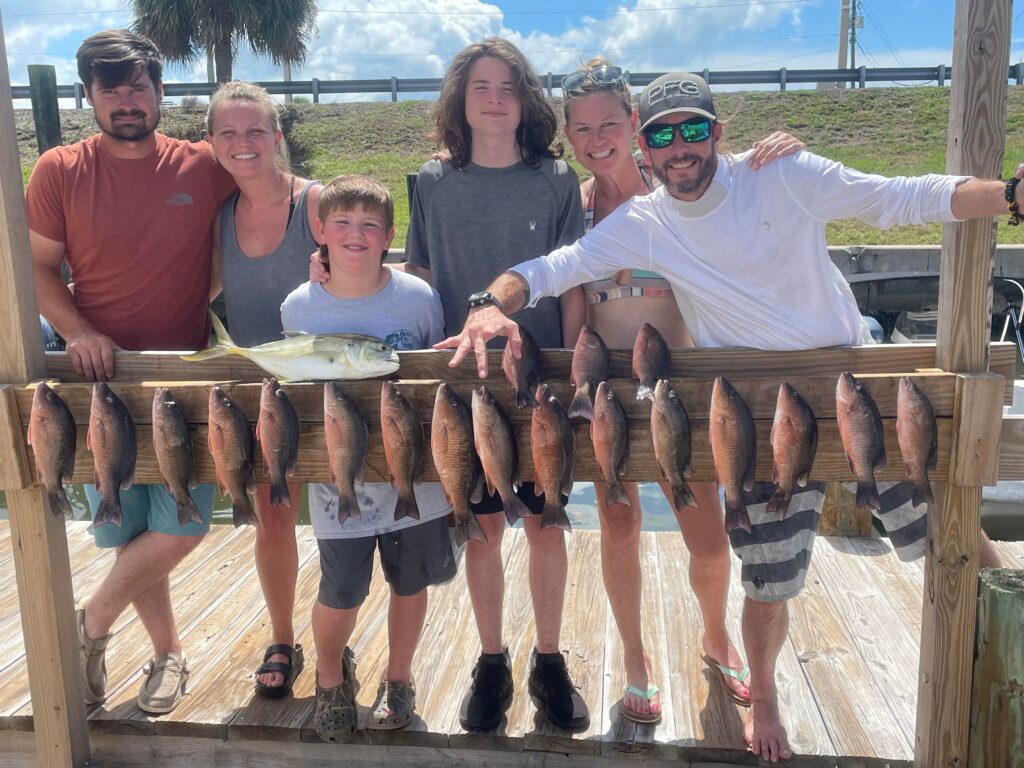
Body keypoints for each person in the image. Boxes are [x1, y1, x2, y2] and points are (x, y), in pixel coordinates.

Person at [438, 71, 1024, 761]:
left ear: (718, 132)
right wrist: (489, 302)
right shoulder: (645, 223)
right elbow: (551, 268)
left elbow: (902, 197)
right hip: (758, 406)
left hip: (854, 388)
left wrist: (1009, 196)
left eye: (693, 129)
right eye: (663, 136)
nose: (679, 147)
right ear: (645, 148)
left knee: (955, 541)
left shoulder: (783, 174)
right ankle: (765, 695)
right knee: (768, 580)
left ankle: (1012, 642)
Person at [559, 57, 805, 722]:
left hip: (684, 389)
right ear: (569, 135)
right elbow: (571, 299)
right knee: (618, 524)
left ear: (634, 124)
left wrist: (783, 154)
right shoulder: (572, 207)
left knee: (710, 537)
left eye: (611, 123)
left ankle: (715, 634)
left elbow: (744, 186)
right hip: (607, 389)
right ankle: (635, 660)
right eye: (583, 128)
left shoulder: (678, 185)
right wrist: (579, 388)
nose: (598, 138)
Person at [25, 30, 235, 714]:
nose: (126, 101)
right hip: (100, 377)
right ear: (89, 96)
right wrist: (78, 331)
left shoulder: (202, 166)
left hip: (185, 375)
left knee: (183, 525)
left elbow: (272, 193)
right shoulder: (59, 169)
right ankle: (168, 655)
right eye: (110, 89)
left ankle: (89, 624)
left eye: (138, 87)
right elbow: (38, 268)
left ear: (160, 93)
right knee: (129, 527)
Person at [406, 38, 588, 733]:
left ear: (526, 100)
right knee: (481, 527)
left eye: (508, 87)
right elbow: (421, 277)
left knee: (545, 525)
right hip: (464, 381)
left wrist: (569, 370)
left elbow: (573, 281)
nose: (494, 99)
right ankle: (491, 659)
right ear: (459, 98)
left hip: (537, 382)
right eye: (480, 86)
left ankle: (549, 659)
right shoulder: (431, 180)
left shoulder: (556, 180)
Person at [281, 174, 457, 741]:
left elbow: (434, 378)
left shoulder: (420, 298)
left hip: (415, 479)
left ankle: (398, 677)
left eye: (369, 225)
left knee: (410, 584)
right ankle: (330, 676)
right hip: (338, 484)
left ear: (388, 235)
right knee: (340, 594)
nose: (355, 234)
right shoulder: (298, 306)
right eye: (342, 222)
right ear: (319, 231)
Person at [206, 81, 322, 699]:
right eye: (228, 132)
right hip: (261, 394)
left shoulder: (316, 202)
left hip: (329, 389)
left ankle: (340, 633)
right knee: (273, 521)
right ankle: (283, 637)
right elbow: (197, 292)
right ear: (212, 143)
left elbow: (367, 262)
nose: (243, 143)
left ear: (277, 136)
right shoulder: (219, 218)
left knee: (351, 517)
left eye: (255, 130)